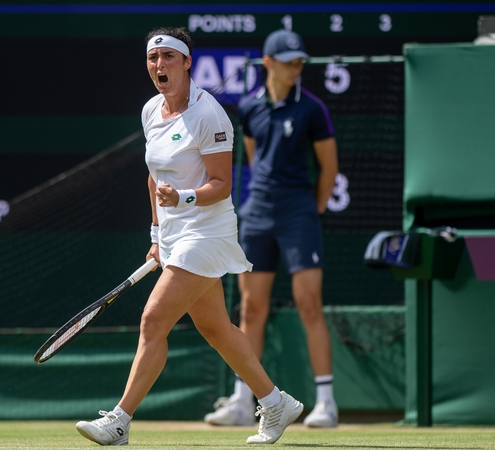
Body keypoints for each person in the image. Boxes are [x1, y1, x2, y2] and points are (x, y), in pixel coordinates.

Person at [75, 27, 304, 446]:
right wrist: (156, 233)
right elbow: (153, 177)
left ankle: (120, 420)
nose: (159, 65)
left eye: (168, 57)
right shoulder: (150, 112)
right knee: (217, 329)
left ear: (186, 63)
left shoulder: (209, 114)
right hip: (175, 234)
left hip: (208, 231)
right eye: (153, 58)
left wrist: (181, 196)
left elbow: (222, 184)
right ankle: (275, 402)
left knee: (152, 319)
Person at [203, 29, 340, 429]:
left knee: (309, 303)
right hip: (259, 212)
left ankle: (327, 403)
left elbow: (329, 169)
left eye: (300, 61)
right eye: (289, 61)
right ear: (269, 63)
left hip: (298, 212)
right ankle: (244, 402)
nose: (296, 68)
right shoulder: (249, 108)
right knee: (251, 308)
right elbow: (254, 155)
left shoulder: (312, 110)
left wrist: (308, 210)